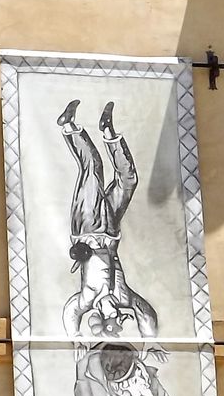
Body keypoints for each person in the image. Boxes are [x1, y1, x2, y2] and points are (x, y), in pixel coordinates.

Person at [58, 99, 157, 340]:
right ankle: (108, 131)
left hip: (87, 225)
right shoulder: (123, 296)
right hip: (110, 230)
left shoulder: (87, 298)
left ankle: (69, 125)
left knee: (93, 167)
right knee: (128, 180)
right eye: (120, 316)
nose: (119, 314)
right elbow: (145, 311)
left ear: (101, 316)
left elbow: (71, 311)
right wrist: (151, 341)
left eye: (114, 318)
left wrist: (75, 337)